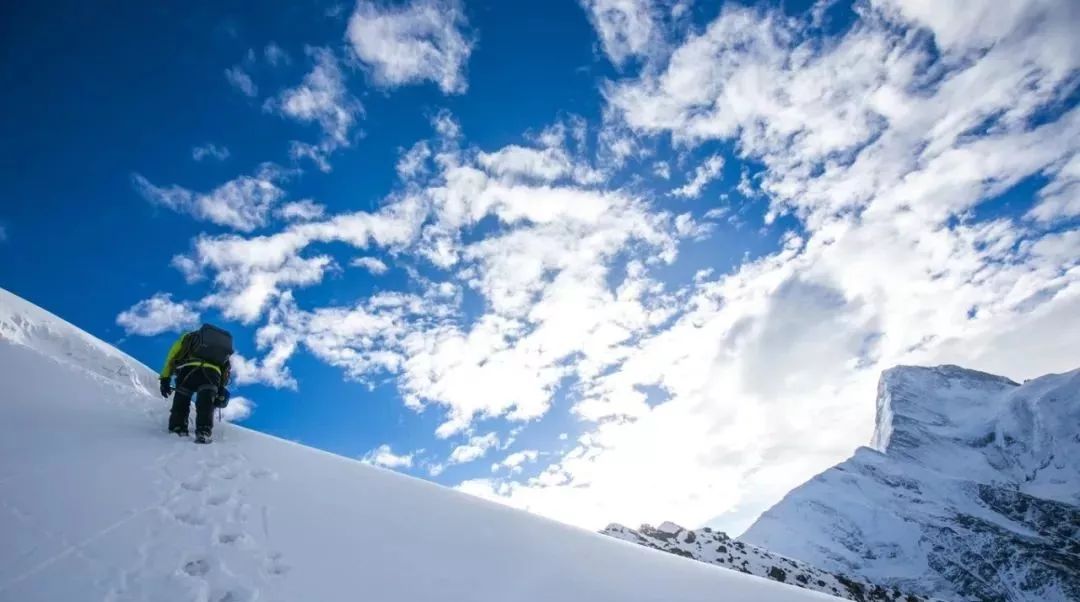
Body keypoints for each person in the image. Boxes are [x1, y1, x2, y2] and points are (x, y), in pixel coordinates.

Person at [159, 324, 233, 443]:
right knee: (206, 403)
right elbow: (226, 370)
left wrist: (165, 378)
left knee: (182, 400)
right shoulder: (222, 349)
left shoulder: (188, 337)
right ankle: (204, 431)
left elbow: (172, 356)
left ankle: (177, 429)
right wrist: (220, 388)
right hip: (212, 374)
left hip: (188, 370)